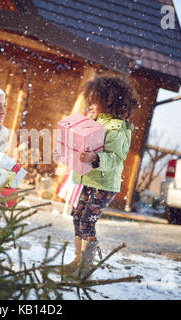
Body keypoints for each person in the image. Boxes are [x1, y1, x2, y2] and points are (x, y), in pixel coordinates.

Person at [60, 75, 139, 278]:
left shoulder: (117, 128)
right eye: (89, 100)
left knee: (87, 221)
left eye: (95, 100)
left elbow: (115, 158)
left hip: (104, 185)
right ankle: (78, 260)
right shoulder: (92, 123)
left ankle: (85, 268)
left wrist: (96, 157)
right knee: (77, 216)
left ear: (110, 101)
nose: (91, 105)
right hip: (88, 180)